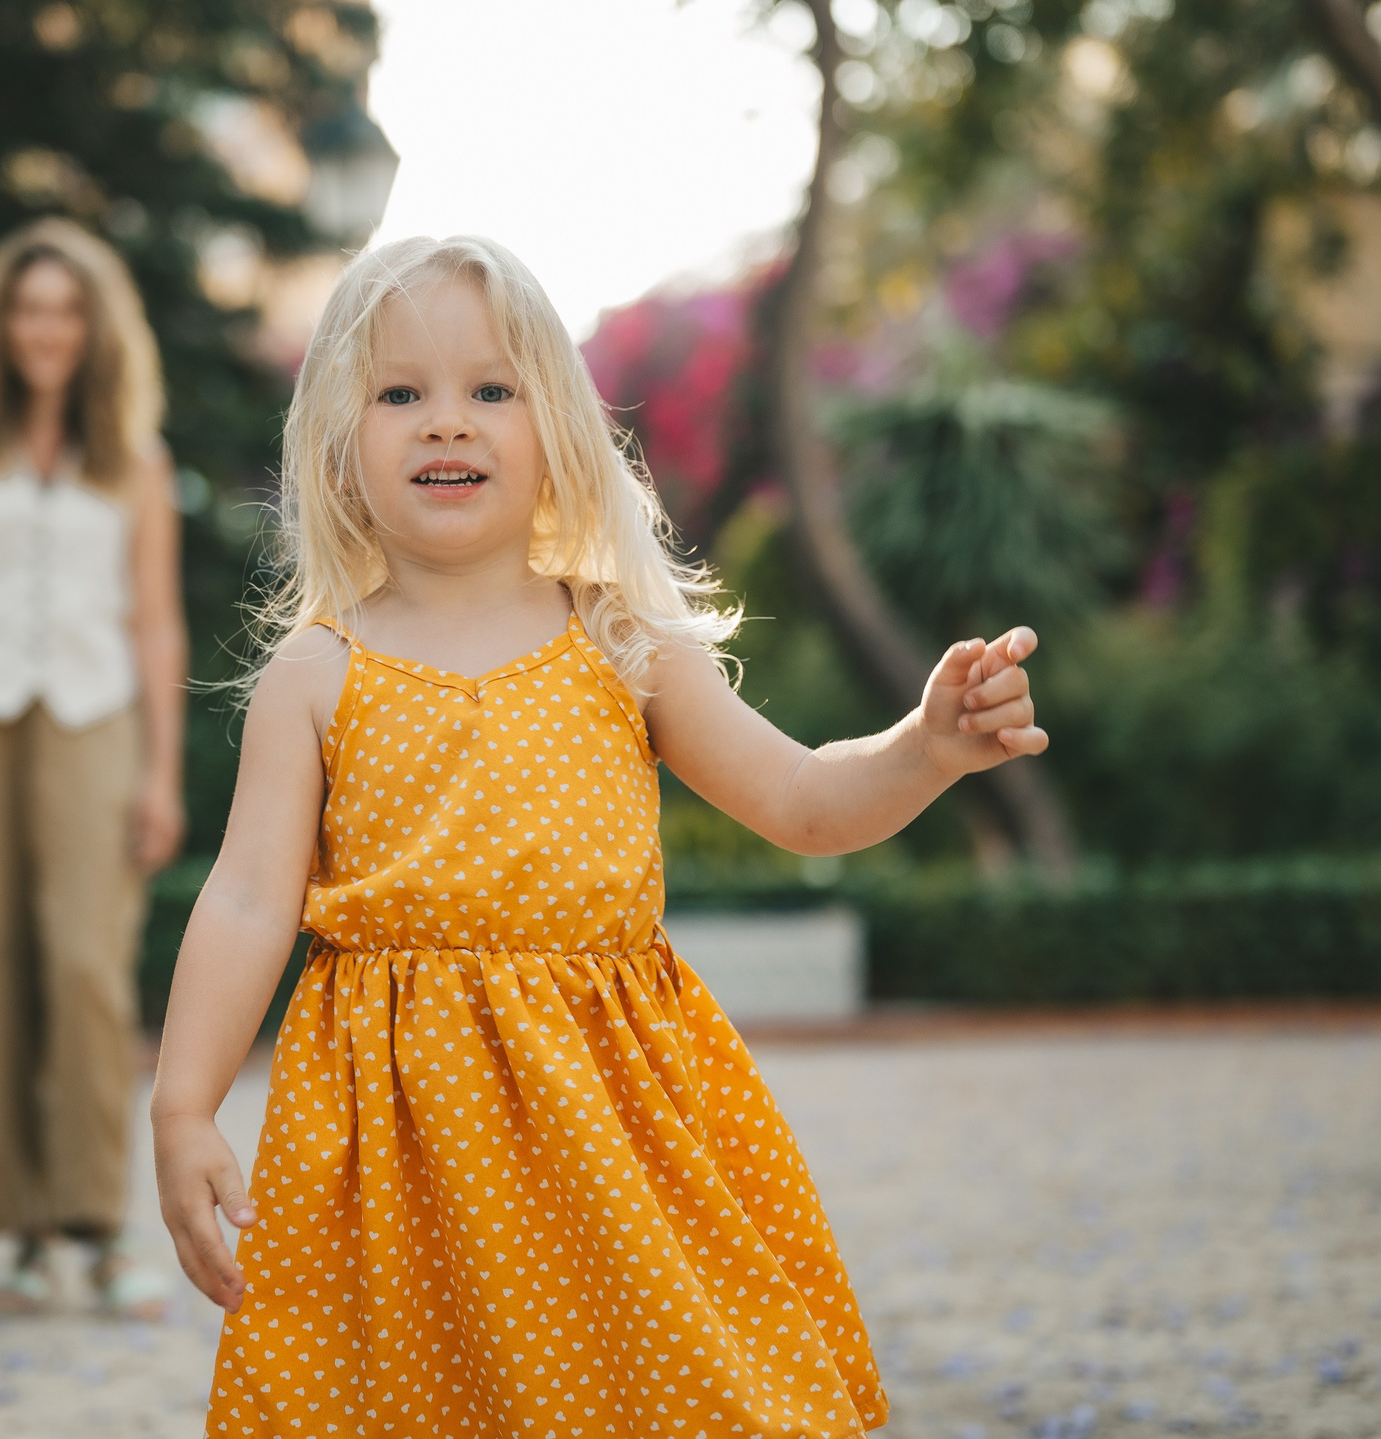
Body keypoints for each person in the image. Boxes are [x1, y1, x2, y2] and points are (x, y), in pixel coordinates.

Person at [152, 235, 1050, 1436]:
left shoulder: (622, 641)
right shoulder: (314, 674)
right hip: (397, 1153)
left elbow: (799, 799)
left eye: (490, 390)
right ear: (335, 440)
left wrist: (924, 748)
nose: (446, 424)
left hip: (610, 1132)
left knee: (661, 1393)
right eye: (398, 393)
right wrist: (182, 1102)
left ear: (558, 428)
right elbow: (249, 901)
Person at [0, 217, 187, 1320]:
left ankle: (100, 1226)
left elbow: (155, 624)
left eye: (65, 310)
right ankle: (15, 1230)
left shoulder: (136, 459)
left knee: (83, 966)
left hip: (92, 716)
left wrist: (160, 773)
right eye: (28, 308)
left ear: (93, 328)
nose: (45, 329)